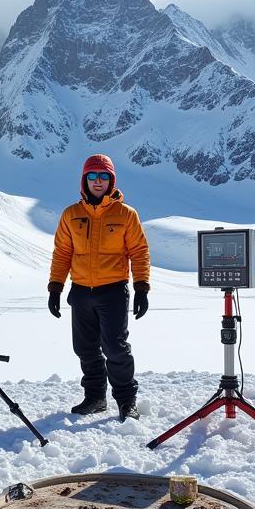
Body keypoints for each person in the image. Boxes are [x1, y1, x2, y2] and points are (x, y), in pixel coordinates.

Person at [47, 153, 151, 421]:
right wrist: (55, 288)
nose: (98, 181)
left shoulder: (126, 215)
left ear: (111, 180)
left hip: (113, 290)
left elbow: (139, 252)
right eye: (92, 176)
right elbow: (62, 253)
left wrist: (142, 287)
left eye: (103, 176)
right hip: (81, 291)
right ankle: (95, 398)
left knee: (115, 348)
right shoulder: (71, 215)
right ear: (84, 180)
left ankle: (127, 401)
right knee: (85, 348)